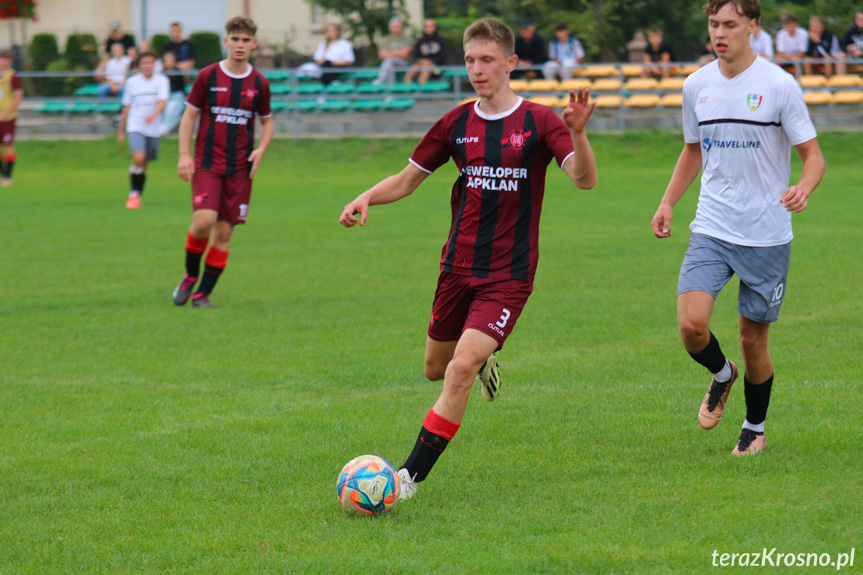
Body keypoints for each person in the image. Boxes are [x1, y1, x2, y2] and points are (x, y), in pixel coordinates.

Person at [339, 18, 597, 499]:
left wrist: (579, 135)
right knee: (437, 368)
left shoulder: (541, 121)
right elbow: (407, 178)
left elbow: (584, 179)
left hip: (510, 274)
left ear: (511, 63)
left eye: (487, 60)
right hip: (457, 267)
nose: (478, 70)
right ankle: (484, 361)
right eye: (471, 60)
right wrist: (366, 197)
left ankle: (407, 478)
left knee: (458, 369)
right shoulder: (456, 123)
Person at [651, 0, 825, 457]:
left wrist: (803, 187)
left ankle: (754, 427)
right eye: (713, 25)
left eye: (730, 24)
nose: (720, 33)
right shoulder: (697, 85)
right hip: (712, 225)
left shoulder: (778, 85)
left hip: (766, 235)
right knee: (691, 326)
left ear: (753, 26)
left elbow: (814, 156)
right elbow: (693, 150)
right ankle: (722, 374)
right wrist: (668, 202)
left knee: (753, 340)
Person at [173, 16, 273, 309]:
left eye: (246, 40)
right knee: (204, 220)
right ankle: (191, 274)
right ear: (226, 41)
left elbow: (267, 123)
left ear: (253, 44)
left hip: (240, 168)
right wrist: (183, 153)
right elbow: (189, 115)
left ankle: (202, 294)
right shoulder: (207, 76)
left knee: (225, 231)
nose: (240, 45)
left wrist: (262, 148)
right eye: (235, 39)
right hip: (207, 162)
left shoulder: (260, 83)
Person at [117, 51, 169, 209]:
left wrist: (154, 115)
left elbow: (163, 101)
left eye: (150, 63)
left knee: (145, 163)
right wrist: (121, 130)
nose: (147, 66)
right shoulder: (132, 82)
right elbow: (127, 106)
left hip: (153, 128)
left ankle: (136, 195)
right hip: (136, 125)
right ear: (139, 66)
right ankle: (133, 194)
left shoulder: (162, 80)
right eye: (144, 63)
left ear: (155, 65)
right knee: (139, 158)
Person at [0, 50, 23, 187]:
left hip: (8, 118)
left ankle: (8, 177)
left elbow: (18, 97)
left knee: (8, 146)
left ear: (10, 62)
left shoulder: (12, 77)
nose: (1, 63)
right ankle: (2, 175)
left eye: (4, 60)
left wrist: (6, 113)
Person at [403, 18, 447, 85]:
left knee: (427, 67)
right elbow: (416, 56)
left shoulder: (441, 40)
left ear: (434, 27)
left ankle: (420, 88)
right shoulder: (420, 41)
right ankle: (406, 88)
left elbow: (443, 57)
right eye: (426, 26)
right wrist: (422, 61)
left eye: (430, 26)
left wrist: (430, 61)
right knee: (413, 68)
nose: (428, 28)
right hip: (421, 65)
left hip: (437, 69)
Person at [375, 17, 412, 85]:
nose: (396, 29)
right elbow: (381, 55)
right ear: (390, 28)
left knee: (389, 60)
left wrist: (389, 53)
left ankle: (380, 80)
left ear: (401, 28)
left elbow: (404, 54)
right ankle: (390, 92)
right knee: (389, 64)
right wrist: (398, 53)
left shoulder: (407, 39)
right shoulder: (385, 39)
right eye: (394, 27)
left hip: (403, 65)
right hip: (390, 65)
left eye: (398, 27)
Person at [159, 51, 187, 135]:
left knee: (171, 109)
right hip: (164, 97)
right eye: (166, 61)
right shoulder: (161, 74)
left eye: (170, 60)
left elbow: (181, 88)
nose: (168, 63)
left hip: (176, 96)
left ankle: (165, 129)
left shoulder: (179, 72)